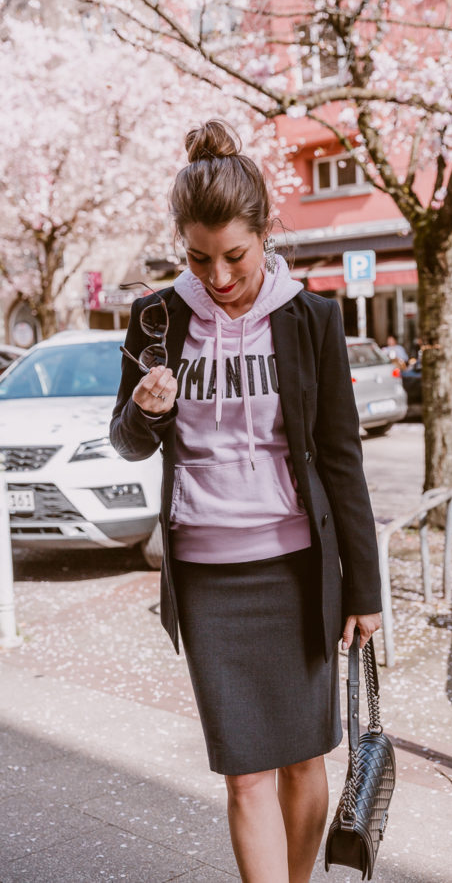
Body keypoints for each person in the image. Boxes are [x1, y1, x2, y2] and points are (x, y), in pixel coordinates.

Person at [110, 119, 382, 883]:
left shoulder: (310, 319)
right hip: (208, 579)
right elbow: (127, 441)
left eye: (235, 255)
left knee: (302, 760)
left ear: (266, 230)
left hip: (299, 571)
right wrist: (150, 410)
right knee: (244, 772)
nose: (220, 276)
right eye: (200, 258)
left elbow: (341, 458)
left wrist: (364, 588)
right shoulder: (156, 319)